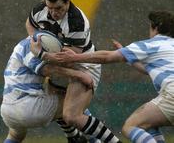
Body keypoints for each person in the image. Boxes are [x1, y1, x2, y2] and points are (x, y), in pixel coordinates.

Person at [43, 10, 174, 143]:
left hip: (171, 95)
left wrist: (75, 57)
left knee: (131, 126)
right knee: (150, 125)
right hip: (169, 96)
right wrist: (129, 58)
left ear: (155, 27)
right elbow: (149, 69)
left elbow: (107, 57)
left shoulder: (149, 45)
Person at [28, 0, 122, 143]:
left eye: (58, 8)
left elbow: (69, 60)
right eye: (50, 8)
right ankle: (75, 139)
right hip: (59, 60)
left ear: (68, 1)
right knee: (54, 107)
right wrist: (34, 38)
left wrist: (40, 54)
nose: (53, 13)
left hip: (83, 64)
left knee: (72, 116)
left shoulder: (76, 22)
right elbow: (30, 24)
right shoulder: (40, 9)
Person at [0, 35, 96, 143]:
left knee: (15, 136)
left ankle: (75, 138)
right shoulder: (37, 42)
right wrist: (79, 74)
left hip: (7, 109)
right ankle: (93, 140)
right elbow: (46, 69)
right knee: (73, 103)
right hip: (27, 107)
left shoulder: (23, 44)